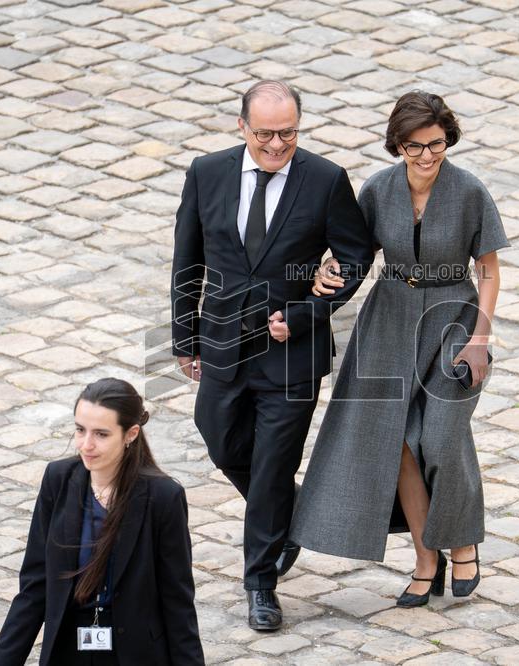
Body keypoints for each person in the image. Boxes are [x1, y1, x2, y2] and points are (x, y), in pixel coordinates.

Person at [289, 91, 508, 606]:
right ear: (397, 146)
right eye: (414, 147)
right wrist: (327, 269)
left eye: (436, 145)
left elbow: (490, 271)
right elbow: (354, 251)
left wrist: (480, 339)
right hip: (388, 317)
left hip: (453, 317)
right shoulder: (379, 190)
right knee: (400, 442)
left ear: (447, 140)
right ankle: (425, 559)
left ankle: (463, 542)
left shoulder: (470, 191)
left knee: (441, 436)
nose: (427, 156)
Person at [171, 80, 373, 630]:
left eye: (288, 133)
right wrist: (184, 339)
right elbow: (187, 259)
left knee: (272, 464)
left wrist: (307, 312)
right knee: (219, 438)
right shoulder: (207, 173)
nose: (277, 145)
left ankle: (261, 584)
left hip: (293, 354)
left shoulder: (326, 180)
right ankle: (289, 509)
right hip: (222, 344)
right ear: (242, 127)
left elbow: (355, 256)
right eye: (265, 134)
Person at [0, 378, 204, 665]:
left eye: (101, 434)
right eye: (80, 430)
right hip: (68, 648)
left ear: (130, 434)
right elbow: (34, 588)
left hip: (135, 653)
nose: (86, 445)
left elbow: (177, 602)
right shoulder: (58, 480)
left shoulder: (163, 498)